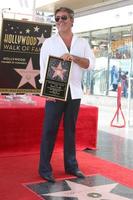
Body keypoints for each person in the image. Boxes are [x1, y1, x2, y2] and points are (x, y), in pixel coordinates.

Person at [39, 7, 94, 183]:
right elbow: (43, 68)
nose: (60, 21)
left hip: (75, 92)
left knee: (70, 130)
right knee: (49, 130)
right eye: (57, 18)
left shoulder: (82, 43)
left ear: (72, 20)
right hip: (55, 92)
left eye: (63, 17)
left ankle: (71, 165)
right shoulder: (49, 43)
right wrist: (47, 91)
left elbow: (90, 64)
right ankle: (44, 169)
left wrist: (74, 57)